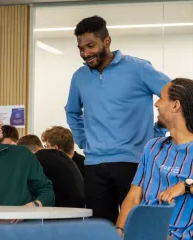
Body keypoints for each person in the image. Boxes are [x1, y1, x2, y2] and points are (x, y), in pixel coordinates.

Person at [65, 15, 171, 223]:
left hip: (134, 162)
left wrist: (158, 130)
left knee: (135, 225)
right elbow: (72, 112)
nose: (85, 53)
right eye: (80, 48)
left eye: (90, 46)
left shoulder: (138, 69)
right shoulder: (79, 77)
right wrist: (85, 142)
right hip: (95, 164)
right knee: (100, 230)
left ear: (107, 41)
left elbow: (174, 95)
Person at [116, 78, 193, 240]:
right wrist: (119, 231)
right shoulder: (152, 147)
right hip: (143, 232)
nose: (156, 104)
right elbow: (133, 197)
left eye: (161, 98)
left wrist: (186, 185)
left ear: (175, 105)